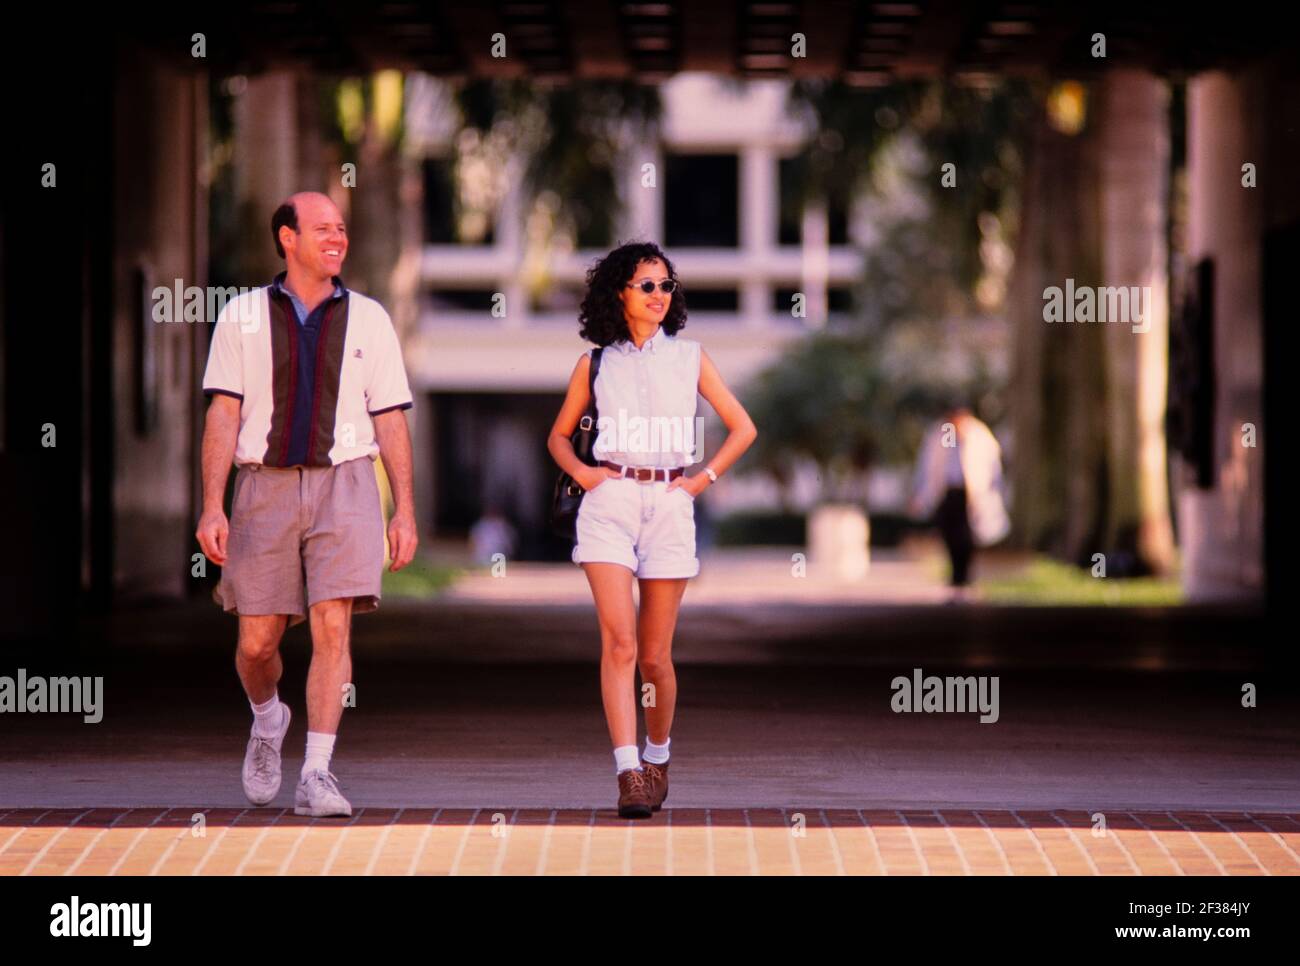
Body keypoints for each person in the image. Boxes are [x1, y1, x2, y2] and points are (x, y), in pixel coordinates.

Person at [195, 191, 418, 817]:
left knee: (333, 625)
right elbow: (224, 413)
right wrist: (214, 505)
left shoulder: (370, 318)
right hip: (263, 486)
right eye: (322, 228)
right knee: (256, 644)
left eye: (341, 229)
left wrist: (404, 509)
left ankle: (316, 773)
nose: (337, 238)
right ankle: (268, 719)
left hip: (346, 482)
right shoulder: (240, 316)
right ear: (287, 238)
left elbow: (392, 419)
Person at [547, 242, 757, 818]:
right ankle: (628, 773)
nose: (660, 295)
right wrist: (586, 475)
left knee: (655, 659)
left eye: (666, 285)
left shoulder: (690, 358)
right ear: (621, 292)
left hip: (669, 504)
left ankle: (657, 755)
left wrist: (700, 480)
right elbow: (558, 437)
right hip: (609, 503)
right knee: (620, 643)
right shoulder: (594, 364)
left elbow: (743, 427)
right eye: (647, 285)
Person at [909, 403, 1009, 600]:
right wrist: (921, 494)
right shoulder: (945, 434)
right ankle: (956, 577)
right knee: (949, 535)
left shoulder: (978, 434)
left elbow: (991, 466)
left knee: (967, 537)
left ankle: (964, 577)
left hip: (971, 495)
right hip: (948, 493)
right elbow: (932, 464)